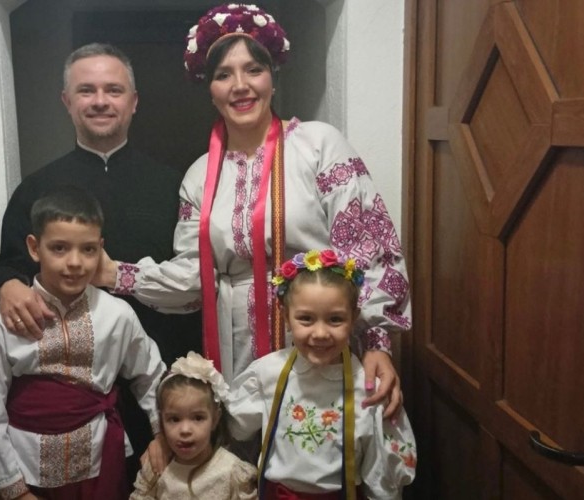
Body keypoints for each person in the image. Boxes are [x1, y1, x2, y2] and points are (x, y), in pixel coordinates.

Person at [96, 4, 408, 413]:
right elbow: (194, 280)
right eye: (224, 75)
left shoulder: (319, 146)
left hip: (318, 336)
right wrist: (116, 274)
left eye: (253, 70)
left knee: (315, 441)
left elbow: (368, 246)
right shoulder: (198, 176)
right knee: (244, 442)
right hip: (235, 347)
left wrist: (377, 341)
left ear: (273, 77)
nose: (240, 86)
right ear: (210, 89)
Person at [0, 42, 201, 480]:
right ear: (67, 101)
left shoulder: (172, 184)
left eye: (113, 90)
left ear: (133, 101)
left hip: (156, 374)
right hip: (65, 403)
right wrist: (7, 284)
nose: (100, 101)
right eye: (86, 90)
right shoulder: (36, 188)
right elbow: (9, 264)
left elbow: (193, 275)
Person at [0, 187, 166, 499]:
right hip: (25, 467)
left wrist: (162, 434)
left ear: (101, 249)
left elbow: (151, 375)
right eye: (59, 248)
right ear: (34, 247)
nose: (75, 262)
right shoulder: (3, 322)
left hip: (101, 460)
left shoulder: (117, 315)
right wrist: (14, 490)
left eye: (88, 250)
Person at [226, 249, 416, 499]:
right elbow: (236, 428)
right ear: (286, 317)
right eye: (306, 319)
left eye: (335, 319)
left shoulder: (368, 387)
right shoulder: (267, 372)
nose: (320, 333)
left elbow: (382, 476)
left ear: (354, 318)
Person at [130, 352, 257, 499]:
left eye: (198, 418)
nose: (185, 430)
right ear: (161, 422)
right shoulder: (157, 468)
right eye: (174, 419)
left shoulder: (232, 472)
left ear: (215, 419)